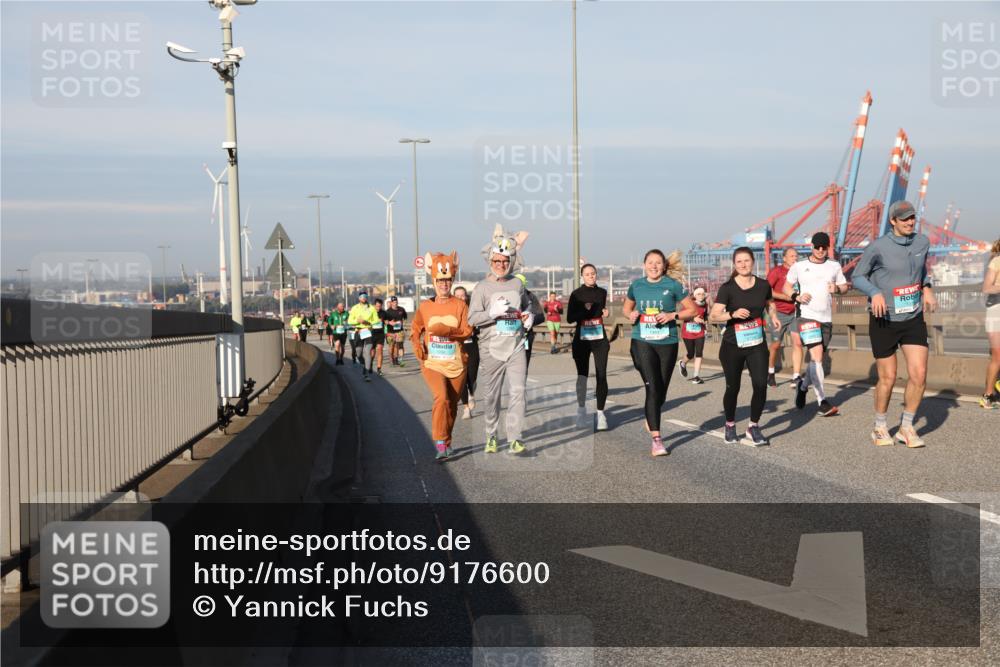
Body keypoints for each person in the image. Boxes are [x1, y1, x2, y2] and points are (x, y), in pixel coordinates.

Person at [853, 200, 937, 448]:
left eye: (912, 218)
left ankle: (906, 427)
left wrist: (927, 288)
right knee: (888, 378)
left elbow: (922, 271)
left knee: (919, 375)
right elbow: (858, 275)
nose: (910, 222)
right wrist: (874, 292)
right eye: (904, 219)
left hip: (912, 316)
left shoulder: (922, 242)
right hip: (884, 318)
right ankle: (879, 426)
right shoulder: (878, 248)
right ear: (893, 221)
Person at [468, 230, 540, 455]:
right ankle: (491, 434)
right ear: (491, 261)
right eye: (497, 261)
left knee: (519, 391)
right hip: (491, 350)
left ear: (510, 262)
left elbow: (529, 305)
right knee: (493, 396)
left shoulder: (517, 285)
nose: (501, 264)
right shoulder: (481, 288)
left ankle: (514, 438)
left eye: (505, 261)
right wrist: (491, 313)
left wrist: (528, 315)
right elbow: (472, 319)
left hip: (516, 345)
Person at [623, 249, 698, 456]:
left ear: (664, 266)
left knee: (661, 391)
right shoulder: (636, 285)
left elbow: (692, 310)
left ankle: (651, 414)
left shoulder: (672, 285)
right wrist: (632, 314)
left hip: (668, 342)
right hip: (642, 341)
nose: (654, 266)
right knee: (653, 387)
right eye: (650, 262)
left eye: (658, 263)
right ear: (644, 265)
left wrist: (672, 315)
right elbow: (626, 309)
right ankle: (657, 440)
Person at [710, 247, 782, 446]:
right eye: (739, 261)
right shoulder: (728, 288)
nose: (743, 264)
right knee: (733, 388)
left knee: (760, 385)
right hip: (732, 344)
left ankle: (753, 426)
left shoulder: (763, 285)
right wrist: (732, 315)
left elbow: (770, 302)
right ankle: (730, 424)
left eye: (746, 261)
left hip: (756, 342)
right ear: (735, 264)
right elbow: (713, 315)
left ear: (753, 262)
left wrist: (773, 316)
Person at [411, 252, 473, 461]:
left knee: (452, 404)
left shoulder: (460, 305)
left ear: (452, 280)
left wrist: (446, 331)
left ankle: (447, 441)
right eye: (440, 281)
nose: (444, 284)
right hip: (432, 362)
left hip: (455, 362)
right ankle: (439, 442)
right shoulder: (426, 306)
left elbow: (467, 331)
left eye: (447, 280)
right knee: (442, 398)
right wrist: (417, 345)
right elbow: (416, 328)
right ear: (434, 281)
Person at [784, 232, 848, 416]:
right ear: (811, 247)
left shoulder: (834, 266)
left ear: (828, 248)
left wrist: (836, 289)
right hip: (806, 316)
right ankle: (822, 402)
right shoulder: (799, 266)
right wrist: (796, 296)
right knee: (818, 356)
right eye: (817, 247)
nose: (820, 250)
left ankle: (803, 387)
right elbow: (786, 287)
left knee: (815, 360)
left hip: (826, 318)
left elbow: (844, 287)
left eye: (824, 247)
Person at [567, 263, 611, 431]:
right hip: (581, 339)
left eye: (593, 273)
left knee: (602, 375)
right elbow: (570, 318)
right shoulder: (576, 294)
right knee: (582, 376)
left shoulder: (602, 292)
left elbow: (601, 311)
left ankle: (601, 414)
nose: (591, 276)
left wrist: (605, 313)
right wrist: (586, 311)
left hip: (599, 338)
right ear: (582, 277)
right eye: (587, 274)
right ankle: (581, 411)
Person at [766, 247, 801, 387]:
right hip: (779, 313)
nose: (795, 258)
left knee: (797, 343)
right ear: (784, 258)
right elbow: (767, 290)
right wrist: (785, 297)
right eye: (791, 256)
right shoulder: (777, 271)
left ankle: (796, 376)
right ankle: (771, 372)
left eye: (796, 256)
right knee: (775, 344)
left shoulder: (800, 272)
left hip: (796, 313)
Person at [453, 286, 480, 419]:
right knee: (461, 377)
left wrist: (476, 330)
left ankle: (471, 394)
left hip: (472, 345)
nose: (460, 298)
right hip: (458, 347)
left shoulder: (472, 310)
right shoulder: (451, 311)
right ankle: (466, 408)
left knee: (472, 376)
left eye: (462, 295)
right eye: (457, 295)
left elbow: (480, 325)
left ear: (466, 297)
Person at [980, 238, 1000, 409]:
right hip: (996, 313)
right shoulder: (997, 261)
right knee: (997, 356)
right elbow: (986, 287)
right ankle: (988, 395)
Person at [678, 286, 710, 384]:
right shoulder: (689, 305)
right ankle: (683, 363)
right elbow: (681, 315)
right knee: (691, 354)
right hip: (688, 333)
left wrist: (705, 324)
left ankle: (696, 376)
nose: (701, 295)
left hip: (699, 332)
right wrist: (693, 319)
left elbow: (705, 316)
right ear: (695, 295)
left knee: (699, 353)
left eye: (703, 294)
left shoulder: (705, 305)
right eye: (699, 294)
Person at [348, 292, 379, 381]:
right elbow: (350, 321)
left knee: (367, 351)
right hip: (358, 331)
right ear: (359, 298)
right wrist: (358, 321)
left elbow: (376, 320)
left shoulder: (371, 308)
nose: (364, 298)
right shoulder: (355, 308)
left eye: (365, 297)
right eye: (362, 297)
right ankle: (364, 362)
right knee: (358, 353)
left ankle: (366, 372)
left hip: (368, 331)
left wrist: (368, 323)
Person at [384, 295, 408, 367]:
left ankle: (399, 360)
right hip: (390, 332)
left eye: (396, 302)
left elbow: (405, 318)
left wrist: (404, 325)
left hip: (399, 331)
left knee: (400, 345)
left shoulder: (401, 309)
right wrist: (390, 322)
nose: (395, 303)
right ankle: (392, 358)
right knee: (392, 346)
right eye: (394, 302)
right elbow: (384, 321)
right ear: (391, 303)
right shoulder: (387, 312)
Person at [369, 298, 387, 376]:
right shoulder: (370, 312)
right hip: (372, 334)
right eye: (377, 306)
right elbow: (367, 322)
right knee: (372, 352)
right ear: (374, 305)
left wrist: (387, 322)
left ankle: (379, 369)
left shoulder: (384, 313)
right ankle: (370, 364)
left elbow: (386, 321)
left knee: (380, 350)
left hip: (380, 334)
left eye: (379, 306)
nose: (378, 308)